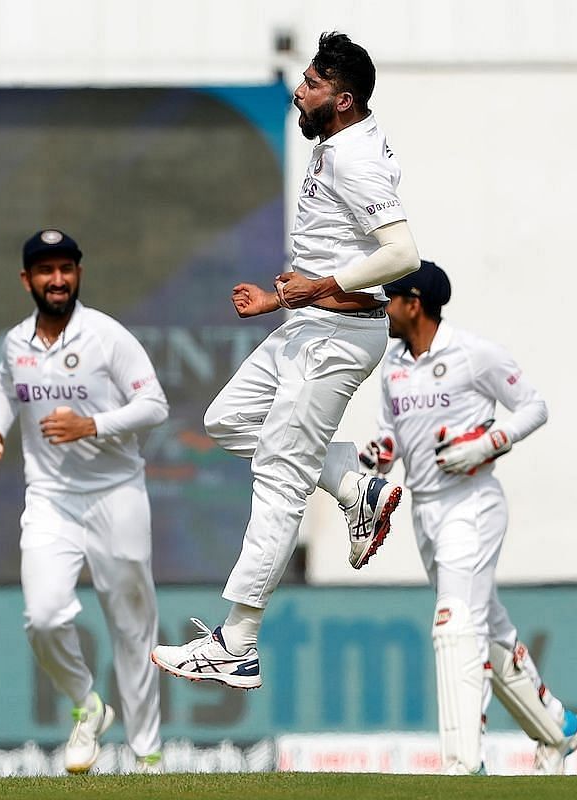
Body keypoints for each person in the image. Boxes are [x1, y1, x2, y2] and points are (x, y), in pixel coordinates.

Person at [150, 31, 420, 690]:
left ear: (345, 99)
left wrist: (317, 288)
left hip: (335, 334)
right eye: (303, 79)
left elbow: (403, 255)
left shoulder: (355, 158)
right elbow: (337, 250)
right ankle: (357, 485)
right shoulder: (336, 145)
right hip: (308, 324)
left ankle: (236, 643)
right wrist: (281, 294)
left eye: (313, 85)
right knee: (228, 420)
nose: (300, 90)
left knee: (278, 476)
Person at [357, 260, 577, 775]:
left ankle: (464, 765)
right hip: (426, 512)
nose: (383, 307)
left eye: (389, 299)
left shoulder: (472, 353)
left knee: (455, 625)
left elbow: (533, 406)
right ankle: (561, 730)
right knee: (488, 631)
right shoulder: (393, 364)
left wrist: (487, 443)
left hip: (473, 504)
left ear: (414, 303)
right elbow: (390, 435)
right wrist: (374, 457)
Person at [0, 229, 169, 774]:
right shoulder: (17, 343)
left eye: (66, 268)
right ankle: (87, 705)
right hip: (51, 499)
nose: (57, 279)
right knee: (42, 616)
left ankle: (147, 756)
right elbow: (4, 387)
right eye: (45, 270)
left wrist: (93, 425)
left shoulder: (107, 336)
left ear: (79, 273)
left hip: (117, 494)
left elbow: (154, 404)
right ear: (27, 280)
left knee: (133, 628)